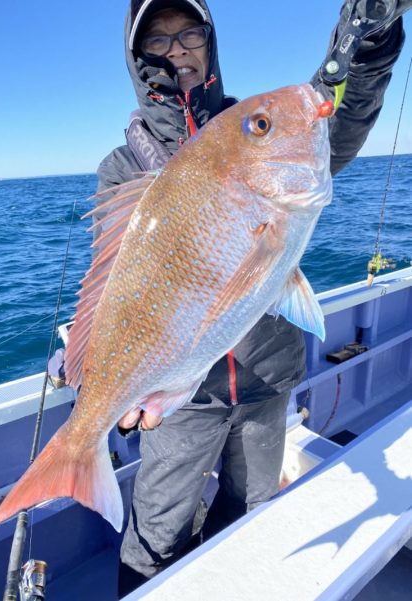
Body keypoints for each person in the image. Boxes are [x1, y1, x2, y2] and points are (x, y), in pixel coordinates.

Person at [93, 0, 408, 596]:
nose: (177, 50)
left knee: (253, 506)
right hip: (183, 393)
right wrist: (101, 376)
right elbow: (117, 284)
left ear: (210, 43)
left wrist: (368, 35)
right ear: (138, 60)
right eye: (157, 41)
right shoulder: (123, 166)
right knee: (158, 533)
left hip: (266, 378)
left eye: (188, 33)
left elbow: (333, 102)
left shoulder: (258, 126)